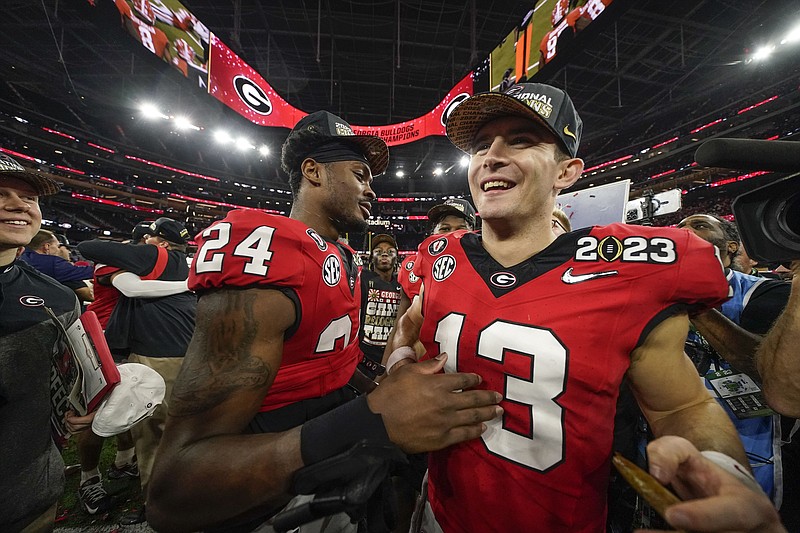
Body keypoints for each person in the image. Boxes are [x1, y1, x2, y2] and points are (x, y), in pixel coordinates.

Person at [385, 82, 767, 532]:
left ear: (567, 172)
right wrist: (398, 366)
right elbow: (409, 324)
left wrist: (726, 474)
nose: (491, 155)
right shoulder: (439, 255)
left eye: (521, 140)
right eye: (482, 145)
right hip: (440, 513)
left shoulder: (626, 268)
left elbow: (679, 407)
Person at [146, 110, 502, 533]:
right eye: (360, 175)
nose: (371, 191)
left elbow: (327, 363)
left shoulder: (340, 256)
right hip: (265, 497)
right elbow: (177, 488)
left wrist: (385, 387)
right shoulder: (267, 256)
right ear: (312, 172)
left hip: (329, 475)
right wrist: (370, 418)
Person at [77, 217, 196, 525]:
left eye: (150, 237)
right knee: (161, 424)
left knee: (144, 426)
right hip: (186, 346)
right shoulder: (190, 261)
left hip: (136, 348)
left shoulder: (153, 255)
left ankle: (158, 503)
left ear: (160, 242)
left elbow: (90, 248)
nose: (144, 241)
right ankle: (123, 463)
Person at [0, 154, 95, 531]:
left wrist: (81, 405)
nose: (19, 205)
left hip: (30, 496)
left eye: (30, 198)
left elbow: (68, 382)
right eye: (1, 194)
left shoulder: (56, 298)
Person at [357, 233, 402, 380]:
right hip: (363, 358)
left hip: (391, 357)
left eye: (390, 251)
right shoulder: (362, 278)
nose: (384, 253)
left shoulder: (403, 285)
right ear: (371, 258)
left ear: (397, 258)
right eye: (378, 251)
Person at [20, 228, 94, 303]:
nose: (59, 250)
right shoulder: (53, 263)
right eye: (58, 246)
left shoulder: (18, 256)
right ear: (46, 247)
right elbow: (89, 272)